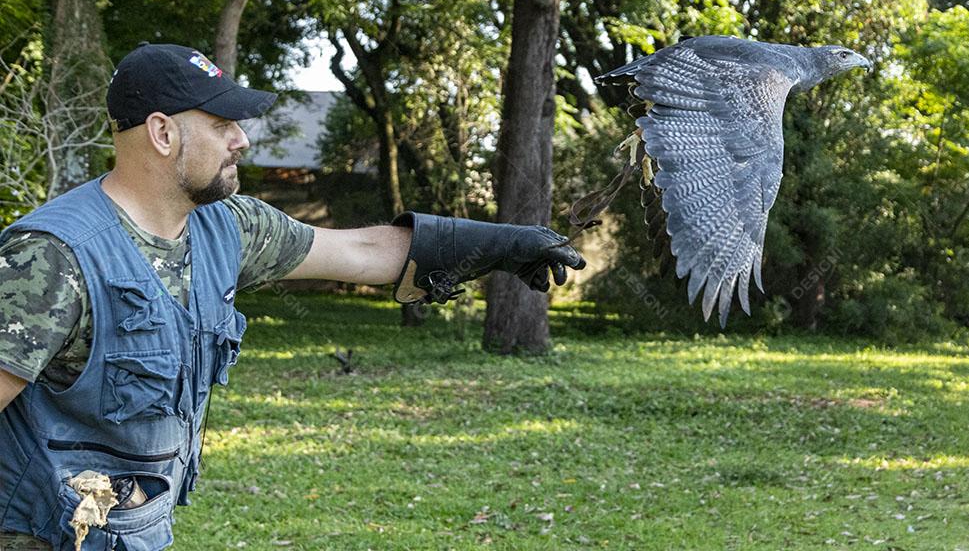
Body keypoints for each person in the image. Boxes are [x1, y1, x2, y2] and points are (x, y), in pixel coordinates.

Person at [0, 43, 585, 551]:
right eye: (222, 124)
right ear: (162, 133)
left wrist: (502, 245)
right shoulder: (51, 257)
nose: (242, 140)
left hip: (134, 532)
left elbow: (360, 251)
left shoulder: (228, 227)